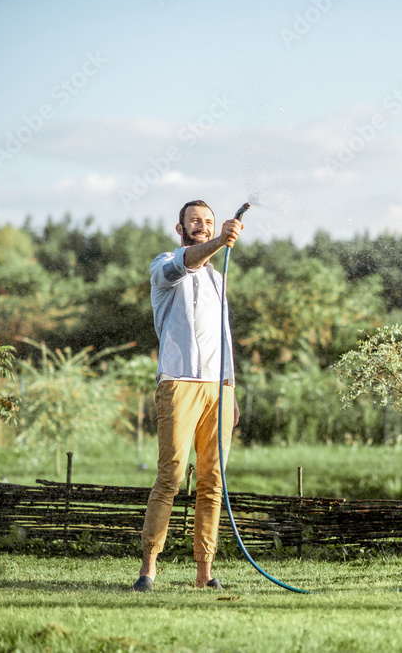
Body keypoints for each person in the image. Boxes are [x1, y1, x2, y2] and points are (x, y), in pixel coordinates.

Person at [132, 200, 243, 591]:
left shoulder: (218, 279)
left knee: (213, 481)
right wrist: (217, 241)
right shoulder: (165, 265)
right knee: (172, 475)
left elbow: (222, 337)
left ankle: (204, 572)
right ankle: (148, 569)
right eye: (195, 221)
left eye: (208, 222)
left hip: (218, 387)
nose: (202, 225)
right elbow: (185, 263)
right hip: (177, 382)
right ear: (180, 228)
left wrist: (230, 388)